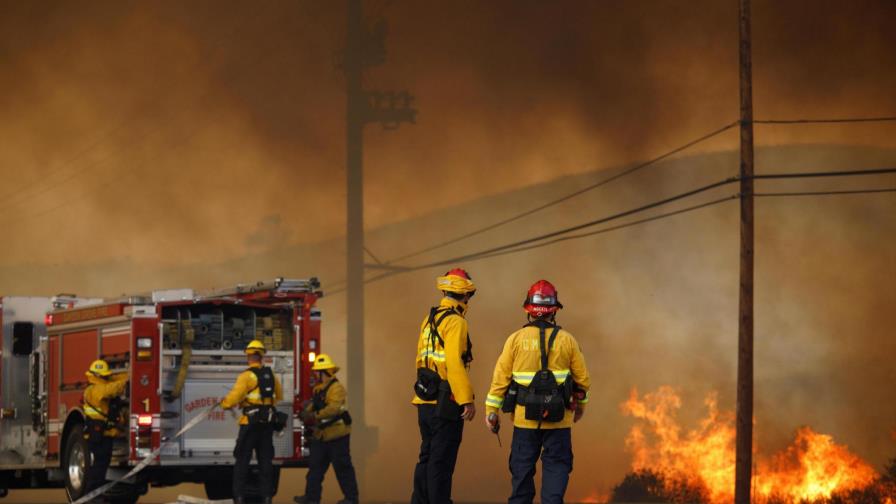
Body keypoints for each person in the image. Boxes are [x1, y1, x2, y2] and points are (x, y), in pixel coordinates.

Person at [484, 280, 591, 504]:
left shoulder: (515, 340)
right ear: (554, 310)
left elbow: (500, 379)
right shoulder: (568, 340)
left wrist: (491, 411)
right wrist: (580, 407)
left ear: (529, 310)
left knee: (521, 475)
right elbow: (582, 381)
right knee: (556, 471)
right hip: (559, 422)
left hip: (524, 423)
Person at [411, 268, 477, 504]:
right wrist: (466, 399)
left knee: (427, 457)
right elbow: (454, 363)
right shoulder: (456, 322)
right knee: (441, 462)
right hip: (445, 403)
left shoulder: (429, 319)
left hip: (424, 400)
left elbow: (420, 360)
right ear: (466, 294)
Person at [221, 339, 283, 504]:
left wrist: (225, 403)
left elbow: (234, 397)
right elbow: (279, 395)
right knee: (265, 462)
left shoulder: (246, 376)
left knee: (242, 461)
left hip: (250, 424)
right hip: (267, 424)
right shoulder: (272, 375)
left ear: (249, 356)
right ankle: (267, 497)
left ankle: (239, 497)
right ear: (262, 356)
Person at [293, 354, 359, 504]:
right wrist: (305, 412)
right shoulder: (319, 389)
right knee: (315, 469)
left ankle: (351, 499)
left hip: (337, 436)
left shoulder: (337, 388)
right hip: (322, 436)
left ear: (325, 372)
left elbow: (333, 409)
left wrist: (313, 415)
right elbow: (314, 404)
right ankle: (311, 498)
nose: (316, 374)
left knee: (343, 469)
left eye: (318, 372)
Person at [82, 359, 129, 499]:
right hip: (99, 436)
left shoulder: (97, 386)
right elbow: (111, 389)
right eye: (105, 376)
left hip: (103, 434)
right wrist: (126, 381)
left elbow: (112, 382)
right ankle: (92, 496)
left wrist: (130, 375)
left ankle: (94, 495)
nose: (107, 378)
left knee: (101, 466)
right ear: (98, 376)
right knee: (99, 467)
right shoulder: (94, 390)